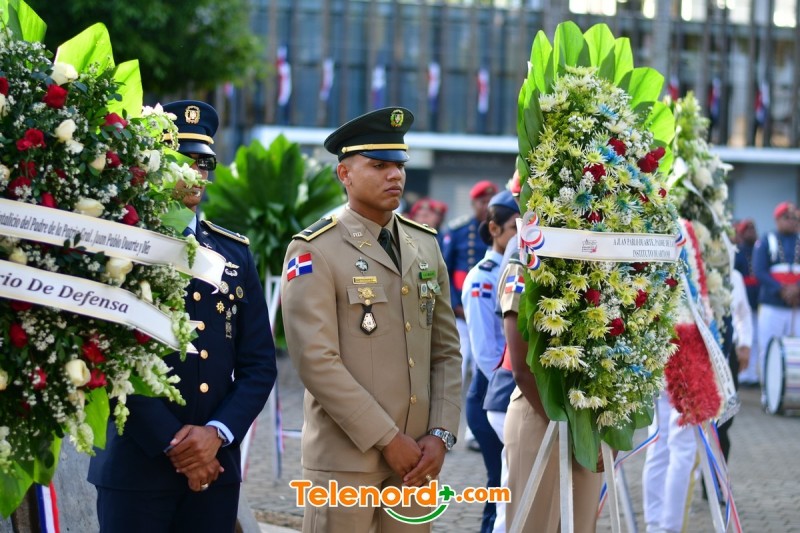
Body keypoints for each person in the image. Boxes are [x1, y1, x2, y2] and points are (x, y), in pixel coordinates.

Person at [88, 100, 278, 532]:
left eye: (204, 163)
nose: (196, 173)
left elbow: (259, 364)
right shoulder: (121, 242)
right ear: (153, 164)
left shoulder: (232, 253)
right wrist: (175, 445)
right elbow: (107, 356)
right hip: (136, 466)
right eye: (182, 161)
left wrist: (217, 433)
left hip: (215, 466)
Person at [281, 107, 462, 533]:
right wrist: (387, 438)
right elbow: (316, 361)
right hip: (346, 461)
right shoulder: (315, 249)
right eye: (379, 165)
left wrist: (440, 434)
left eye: (399, 165)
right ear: (344, 174)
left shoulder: (424, 244)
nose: (395, 175)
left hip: (416, 461)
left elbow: (445, 352)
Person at [501, 208, 603, 533]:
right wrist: (570, 432)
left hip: (586, 422)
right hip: (539, 413)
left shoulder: (598, 266)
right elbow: (521, 369)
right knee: (534, 524)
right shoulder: (524, 264)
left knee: (581, 526)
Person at [461, 190, 519, 533]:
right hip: (493, 394)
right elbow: (484, 353)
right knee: (501, 484)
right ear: (494, 229)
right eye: (515, 228)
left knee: (507, 486)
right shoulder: (483, 278)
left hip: (508, 389)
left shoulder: (517, 267)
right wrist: (512, 389)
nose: (522, 236)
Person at [442, 179, 497, 448]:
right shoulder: (458, 230)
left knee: (482, 370)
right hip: (460, 313)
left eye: (490, 201)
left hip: (487, 312)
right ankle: (445, 428)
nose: (485, 206)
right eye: (481, 201)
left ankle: (475, 433)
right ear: (473, 203)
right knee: (456, 371)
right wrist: (454, 304)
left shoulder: (501, 227)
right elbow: (444, 270)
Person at [753, 201, 800, 402]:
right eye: (786, 217)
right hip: (772, 305)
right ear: (777, 219)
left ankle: (794, 394)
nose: (791, 221)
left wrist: (797, 289)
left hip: (796, 305)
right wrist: (781, 289)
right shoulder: (766, 240)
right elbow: (759, 271)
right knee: (768, 348)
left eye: (794, 218)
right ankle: (769, 394)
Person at [734, 218, 760, 385]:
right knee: (740, 335)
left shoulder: (758, 249)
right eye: (748, 229)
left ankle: (752, 375)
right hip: (742, 297)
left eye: (753, 229)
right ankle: (742, 375)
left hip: (756, 298)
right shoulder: (737, 251)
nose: (751, 232)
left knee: (754, 338)